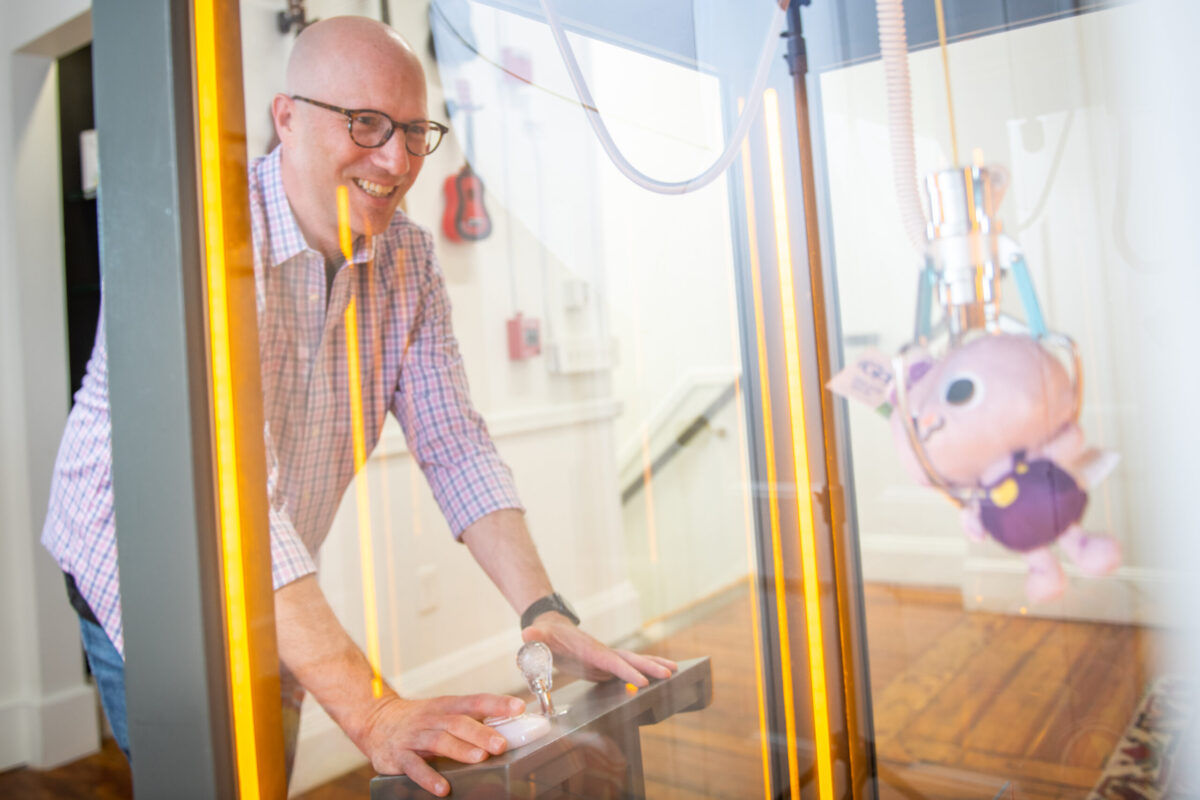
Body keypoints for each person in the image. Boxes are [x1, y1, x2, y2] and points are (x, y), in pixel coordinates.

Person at [41, 15, 675, 797]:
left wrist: (542, 608)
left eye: (414, 131)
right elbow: (230, 501)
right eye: (365, 124)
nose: (396, 159)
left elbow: (454, 441)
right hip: (137, 560)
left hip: (267, 562)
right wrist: (373, 712)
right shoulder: (205, 240)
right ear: (286, 117)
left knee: (262, 770)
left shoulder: (406, 255)